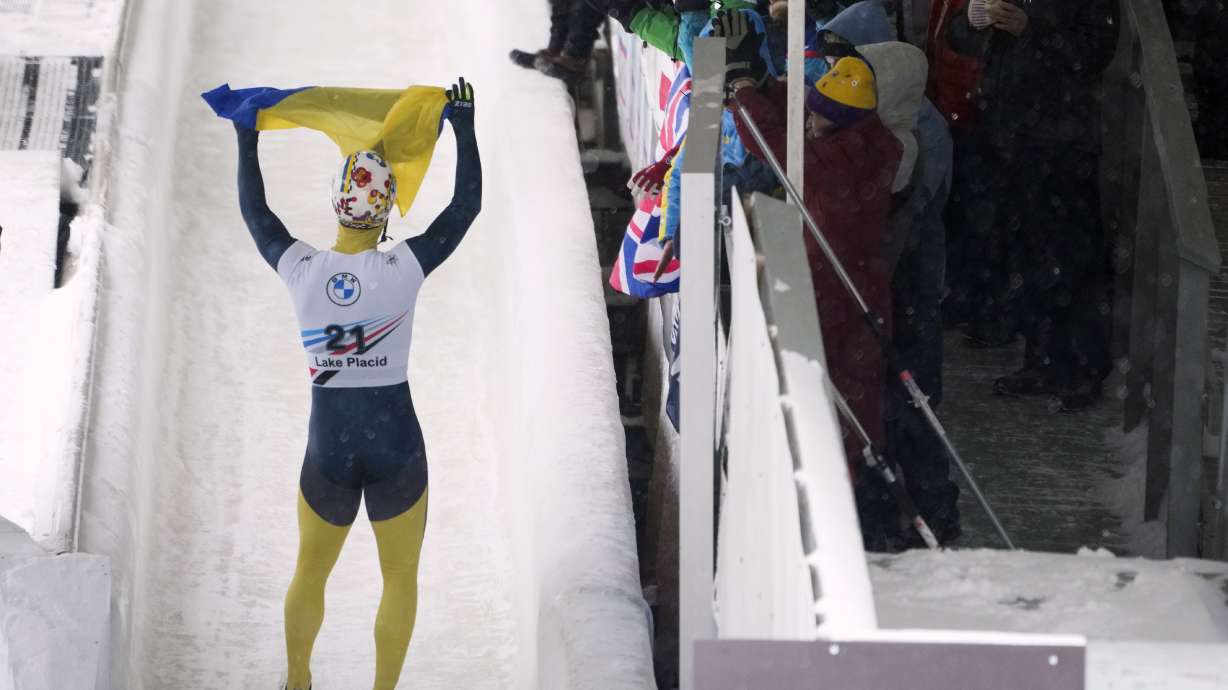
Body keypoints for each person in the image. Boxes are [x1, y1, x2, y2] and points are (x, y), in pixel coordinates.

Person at [234, 78, 481, 690]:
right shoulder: (402, 265)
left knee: (308, 575)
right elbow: (464, 208)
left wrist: (246, 136)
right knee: (399, 581)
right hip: (396, 441)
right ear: (386, 210)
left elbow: (255, 214)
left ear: (338, 206)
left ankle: (297, 682)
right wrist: (464, 129)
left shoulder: (303, 269)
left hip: (330, 446)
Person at [718, 8, 901, 467]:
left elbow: (778, 147)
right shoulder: (870, 136)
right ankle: (852, 475)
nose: (810, 123)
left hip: (835, 287)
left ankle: (840, 486)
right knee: (851, 394)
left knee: (835, 395)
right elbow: (803, 113)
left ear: (839, 125)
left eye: (819, 121)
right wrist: (760, 82)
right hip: (859, 283)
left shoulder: (833, 163)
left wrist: (742, 94)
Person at [974, 0, 1118, 411]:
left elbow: (1096, 51)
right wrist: (974, 18)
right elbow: (970, 42)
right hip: (1016, 136)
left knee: (1074, 258)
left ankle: (1082, 369)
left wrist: (1032, 28)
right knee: (1029, 254)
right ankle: (1042, 360)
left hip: (1063, 141)